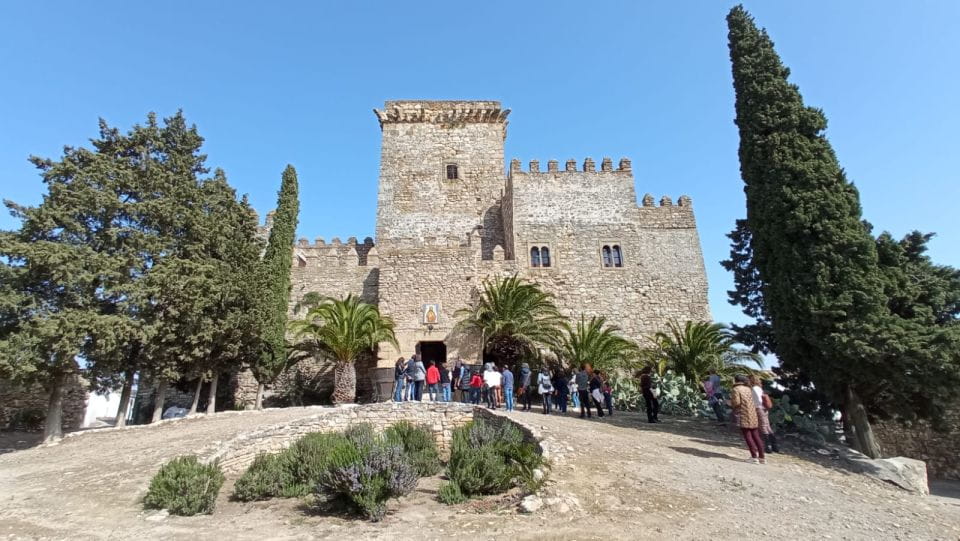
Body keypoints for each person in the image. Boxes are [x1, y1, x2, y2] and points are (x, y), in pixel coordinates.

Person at [730, 374, 765, 464]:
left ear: (736, 380)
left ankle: (754, 457)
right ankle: (762, 457)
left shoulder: (736, 389)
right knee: (756, 435)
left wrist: (730, 403)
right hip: (752, 413)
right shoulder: (748, 388)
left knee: (748, 436)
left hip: (743, 413)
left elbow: (737, 402)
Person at [749, 374, 779, 453]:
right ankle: (774, 445)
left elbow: (758, 400)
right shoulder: (759, 388)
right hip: (764, 408)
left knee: (763, 426)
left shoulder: (754, 388)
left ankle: (768, 446)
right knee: (767, 426)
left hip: (759, 408)